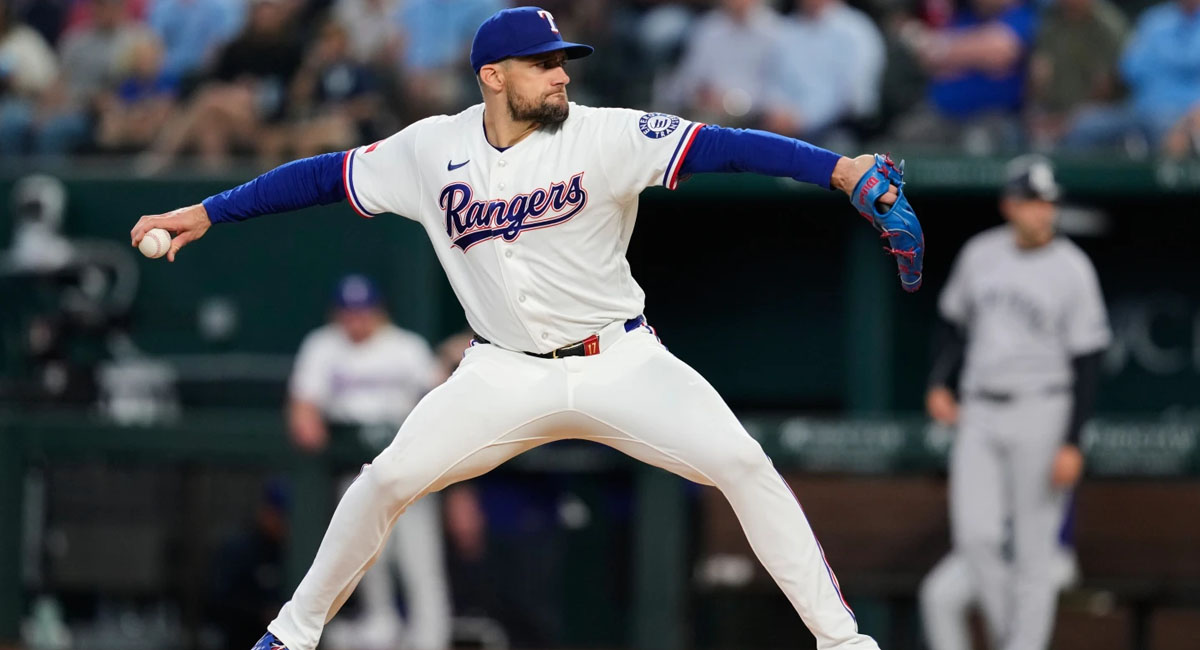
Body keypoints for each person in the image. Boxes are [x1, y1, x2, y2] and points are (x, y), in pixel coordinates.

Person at [129, 7, 922, 650]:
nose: (560, 74)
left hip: (622, 360)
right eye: (544, 63)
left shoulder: (603, 134)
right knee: (385, 480)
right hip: (502, 372)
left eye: (562, 60)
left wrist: (841, 170)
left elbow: (727, 149)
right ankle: (290, 638)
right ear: (493, 77)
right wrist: (206, 211)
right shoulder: (430, 150)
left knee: (744, 464)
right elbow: (320, 177)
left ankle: (841, 641)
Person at [923, 155, 1110, 650]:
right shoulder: (981, 254)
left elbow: (1089, 359)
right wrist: (939, 383)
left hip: (1042, 407)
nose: (1042, 212)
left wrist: (1073, 441)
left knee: (1034, 552)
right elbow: (954, 324)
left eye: (1048, 202)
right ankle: (1016, 641)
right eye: (1032, 202)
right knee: (976, 536)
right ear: (1010, 205)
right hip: (979, 409)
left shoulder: (1073, 268)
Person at [288, 274, 452, 650]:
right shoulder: (323, 346)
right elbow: (303, 412)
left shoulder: (406, 347)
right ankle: (382, 627)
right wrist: (307, 420)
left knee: (420, 563)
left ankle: (431, 640)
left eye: (363, 312)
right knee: (365, 562)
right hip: (357, 469)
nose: (356, 321)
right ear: (337, 314)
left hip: (410, 469)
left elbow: (439, 394)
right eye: (349, 313)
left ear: (379, 312)